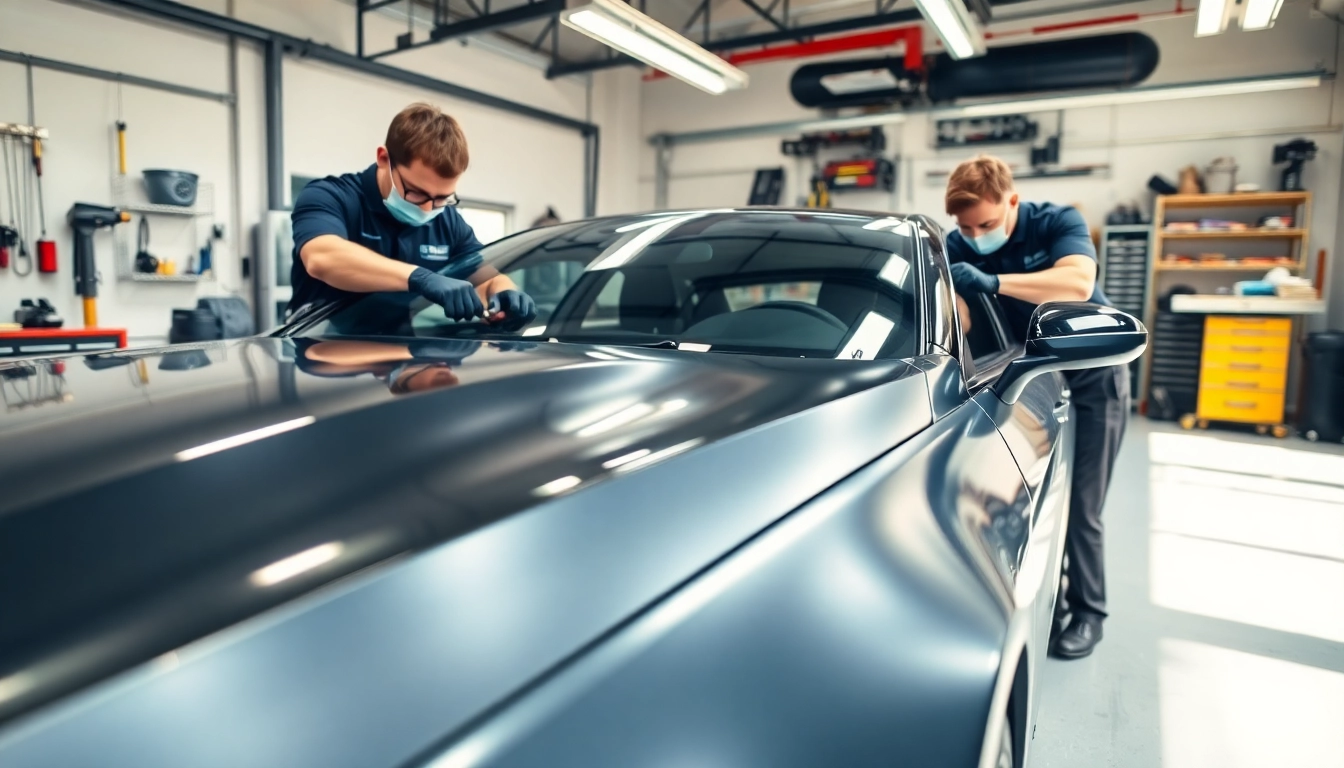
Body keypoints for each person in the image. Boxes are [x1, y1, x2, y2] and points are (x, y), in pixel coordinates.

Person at [943, 155, 1129, 660]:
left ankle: (1088, 613)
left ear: (1013, 202)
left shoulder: (1057, 222)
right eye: (963, 226)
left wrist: (993, 281)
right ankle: (1048, 604)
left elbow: (1077, 286)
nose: (974, 234)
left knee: (1084, 508)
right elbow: (958, 319)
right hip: (1031, 379)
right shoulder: (957, 246)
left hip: (1093, 374)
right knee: (1032, 505)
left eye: (984, 222)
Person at [289, 103, 536, 327]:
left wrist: (504, 292)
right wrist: (420, 278)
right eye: (417, 193)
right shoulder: (331, 197)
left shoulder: (446, 220)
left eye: (442, 198)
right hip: (319, 353)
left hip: (401, 356)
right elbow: (322, 258)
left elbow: (485, 275)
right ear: (384, 159)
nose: (428, 209)